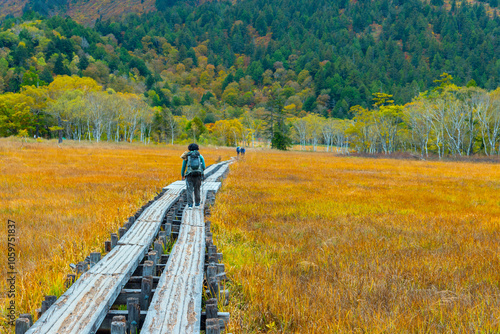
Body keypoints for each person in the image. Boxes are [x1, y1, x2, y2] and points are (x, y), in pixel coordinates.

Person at [181, 143, 206, 209]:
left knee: (189, 190)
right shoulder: (200, 156)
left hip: (189, 175)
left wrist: (182, 175)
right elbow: (203, 166)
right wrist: (201, 171)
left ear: (189, 148)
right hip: (198, 175)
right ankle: (197, 204)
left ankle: (190, 205)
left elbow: (183, 167)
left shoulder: (187, 156)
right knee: (197, 189)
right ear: (197, 148)